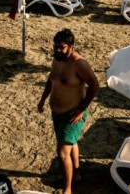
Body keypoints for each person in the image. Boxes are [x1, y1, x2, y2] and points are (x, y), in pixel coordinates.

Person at [37, 29, 100, 194]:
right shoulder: (57, 59)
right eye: (55, 46)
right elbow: (51, 80)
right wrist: (43, 99)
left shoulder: (80, 64)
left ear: (71, 47)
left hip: (72, 114)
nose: (57, 50)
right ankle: (76, 172)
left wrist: (81, 110)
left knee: (62, 153)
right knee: (71, 143)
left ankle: (68, 189)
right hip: (56, 112)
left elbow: (94, 85)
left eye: (61, 47)